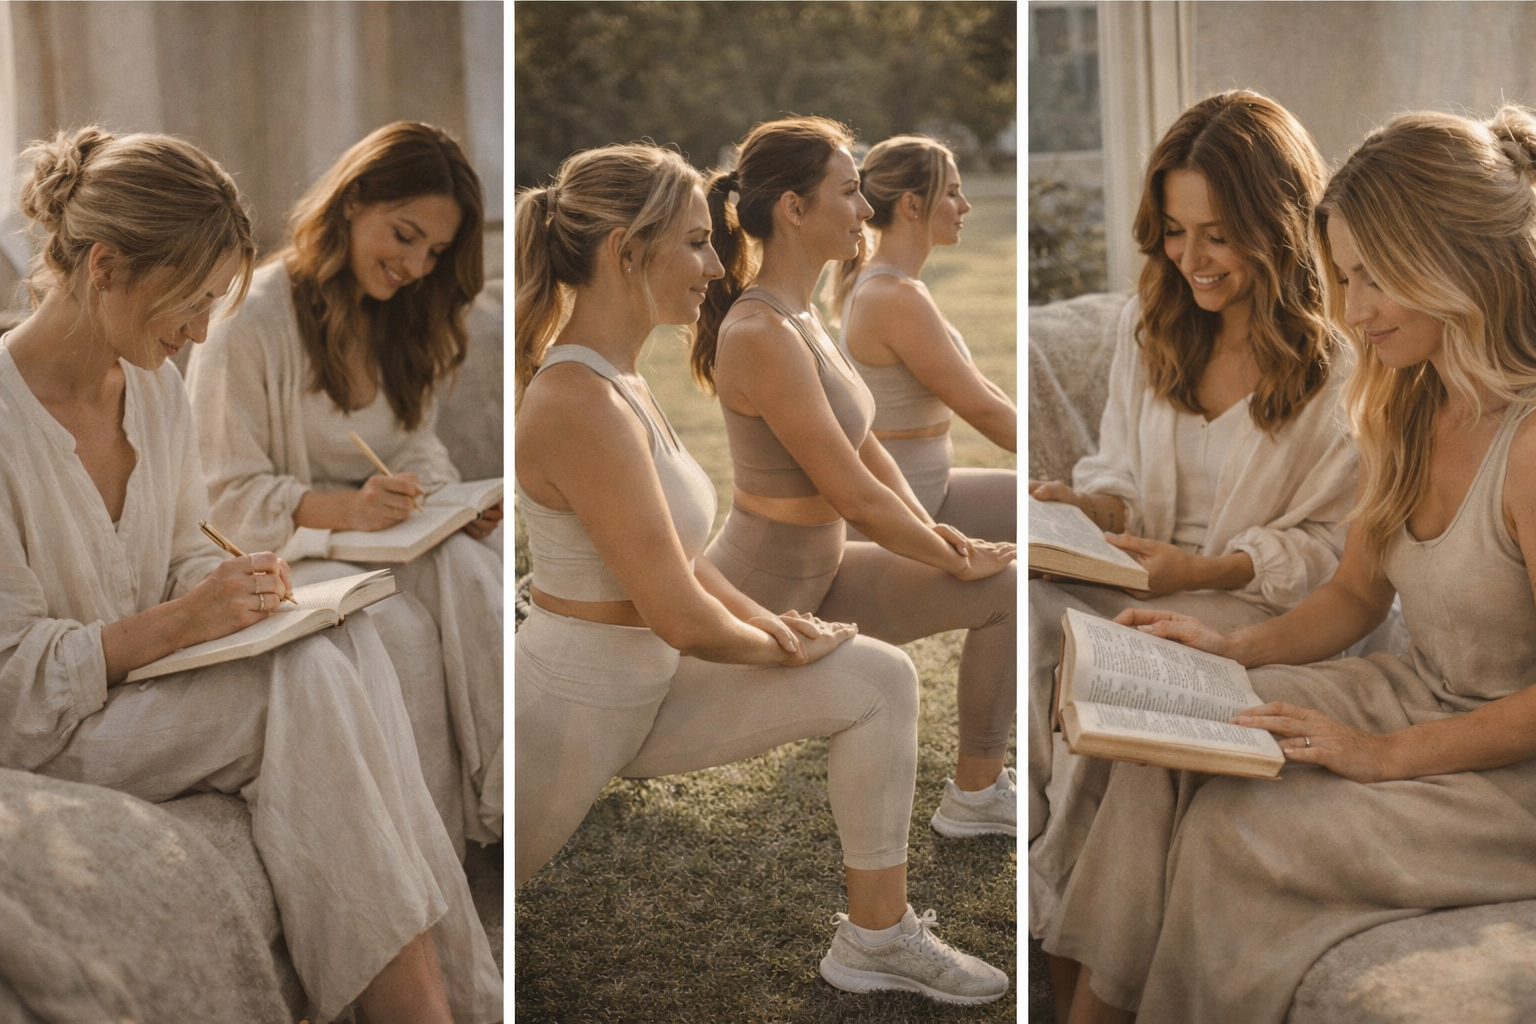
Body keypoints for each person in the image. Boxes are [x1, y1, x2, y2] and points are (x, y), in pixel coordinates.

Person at [1044, 106, 1536, 1024]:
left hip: (1512, 772)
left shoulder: (1531, 444)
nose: (1352, 310)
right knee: (1165, 743)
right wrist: (1227, 653)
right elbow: (1354, 594)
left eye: (1374, 279)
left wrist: (1383, 757)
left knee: (1236, 827)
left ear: (1459, 263)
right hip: (1418, 689)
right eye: (1343, 277)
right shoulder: (1405, 399)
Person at [0, 128, 499, 1023]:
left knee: (333, 641)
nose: (199, 332)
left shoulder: (148, 385)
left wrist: (246, 593)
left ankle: (425, 1002)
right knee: (303, 681)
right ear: (106, 266)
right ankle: (433, 1005)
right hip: (50, 729)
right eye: (190, 305)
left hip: (144, 688)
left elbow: (188, 550)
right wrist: (183, 622)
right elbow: (10, 680)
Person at [513, 141, 1008, 1005]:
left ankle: (879, 940)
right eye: (696, 244)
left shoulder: (620, 380)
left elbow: (684, 563)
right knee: (465, 915)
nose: (714, 265)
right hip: (577, 712)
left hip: (650, 694)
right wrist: (781, 641)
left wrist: (787, 626)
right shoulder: (577, 401)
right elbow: (678, 613)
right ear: (627, 252)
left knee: (881, 681)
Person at [1024, 94, 1363, 985]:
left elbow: (1342, 550)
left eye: (1217, 234)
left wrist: (1210, 565)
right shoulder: (1155, 330)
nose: (1192, 259)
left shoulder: (1346, 368)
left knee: (1114, 669)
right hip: (1147, 576)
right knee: (1029, 606)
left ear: (1279, 226)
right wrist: (1092, 508)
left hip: (1258, 596)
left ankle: (1078, 960)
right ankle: (1026, 865)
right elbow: (1119, 468)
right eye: (1174, 232)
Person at [692, 117, 1019, 839]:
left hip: (825, 574)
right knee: (986, 577)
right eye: (849, 192)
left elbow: (869, 451)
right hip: (764, 593)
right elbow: (851, 493)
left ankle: (977, 791)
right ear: (794, 208)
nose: (866, 210)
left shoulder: (803, 316)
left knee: (1005, 588)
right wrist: (952, 553)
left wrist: (942, 538)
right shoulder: (760, 333)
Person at [185, 122, 501, 854]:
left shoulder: (408, 317)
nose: (417, 265)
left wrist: (451, 501)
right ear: (354, 201)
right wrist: (344, 509)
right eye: (405, 235)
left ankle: (508, 803)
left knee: (474, 572)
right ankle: (430, 853)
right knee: (404, 639)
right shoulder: (252, 316)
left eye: (436, 251)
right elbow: (219, 497)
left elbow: (415, 442)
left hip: (384, 535)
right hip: (296, 547)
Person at [829, 134, 1015, 543]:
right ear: (911, 205)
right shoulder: (893, 297)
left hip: (932, 488)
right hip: (903, 507)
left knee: (1049, 509)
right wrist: (1059, 459)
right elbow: (981, 410)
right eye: (952, 193)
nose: (965, 205)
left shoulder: (900, 287)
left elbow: (983, 388)